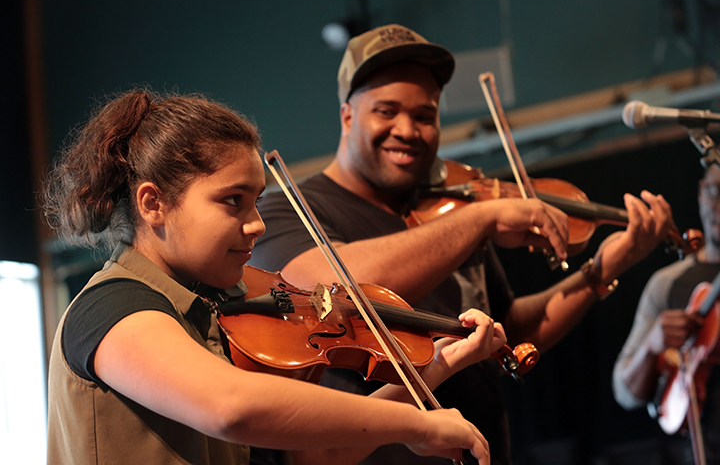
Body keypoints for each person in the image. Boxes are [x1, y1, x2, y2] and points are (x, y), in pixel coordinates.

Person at [249, 23, 675, 465]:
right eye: (387, 110)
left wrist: (600, 270)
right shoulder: (290, 210)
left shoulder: (446, 210)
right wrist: (481, 218)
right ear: (348, 116)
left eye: (425, 115)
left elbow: (508, 329)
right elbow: (329, 288)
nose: (408, 130)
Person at [42, 88, 510, 465]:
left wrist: (437, 368)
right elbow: (232, 407)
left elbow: (315, 454)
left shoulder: (213, 315)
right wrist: (421, 425)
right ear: (153, 203)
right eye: (232, 201)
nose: (257, 224)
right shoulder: (113, 308)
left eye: (257, 200)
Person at [613, 163, 720, 464]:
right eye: (715, 192)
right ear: (700, 192)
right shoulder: (668, 284)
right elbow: (624, 391)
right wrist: (652, 344)